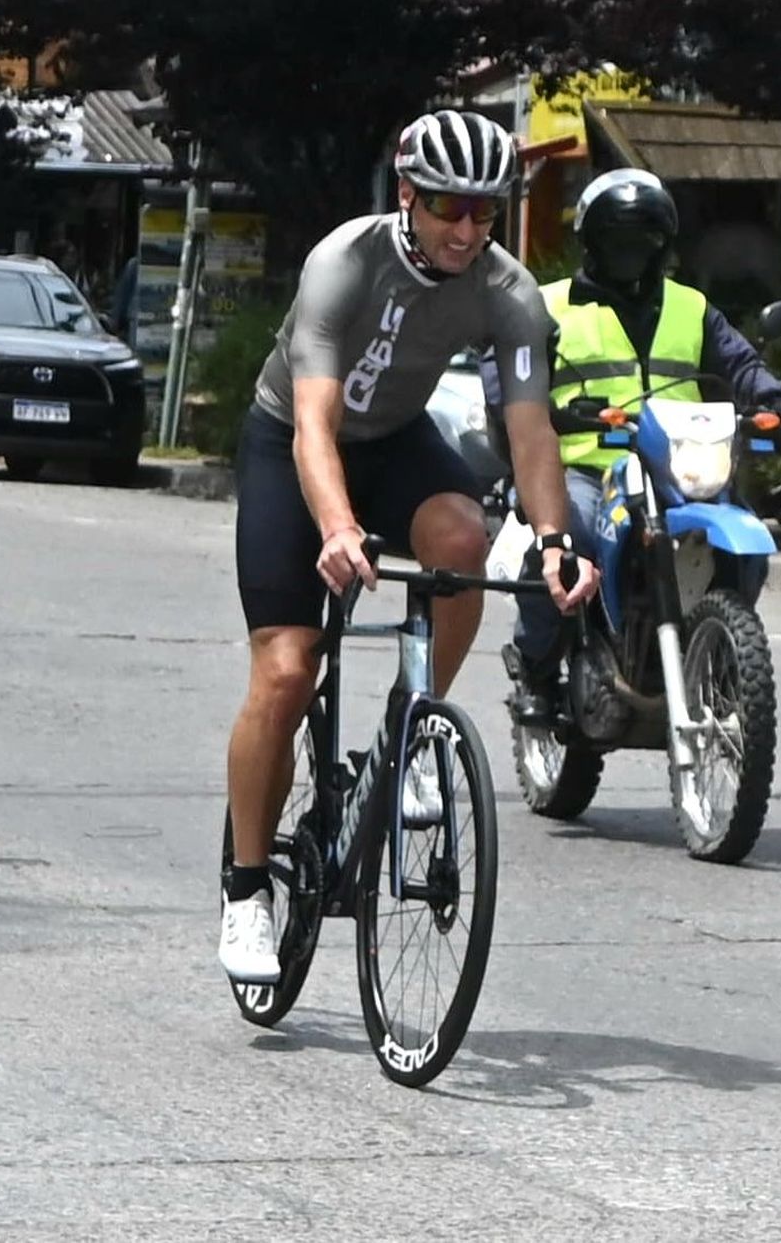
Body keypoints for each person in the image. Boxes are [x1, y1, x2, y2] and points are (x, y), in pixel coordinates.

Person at [219, 108, 600, 983]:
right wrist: (339, 527)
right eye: (447, 208)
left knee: (465, 535)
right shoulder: (343, 263)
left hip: (393, 440)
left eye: (486, 212)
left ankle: (410, 734)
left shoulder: (507, 292)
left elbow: (531, 430)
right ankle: (246, 894)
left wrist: (552, 539)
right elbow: (314, 422)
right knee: (286, 670)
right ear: (407, 196)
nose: (467, 230)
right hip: (294, 441)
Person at [507, 167, 781, 724]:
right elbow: (510, 379)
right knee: (563, 538)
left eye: (645, 238)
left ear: (663, 244)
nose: (632, 250)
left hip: (677, 464)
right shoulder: (546, 306)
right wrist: (545, 412)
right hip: (583, 469)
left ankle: (721, 655)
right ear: (592, 242)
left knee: (741, 537)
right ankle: (536, 667)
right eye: (618, 237)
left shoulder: (692, 308)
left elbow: (742, 366)